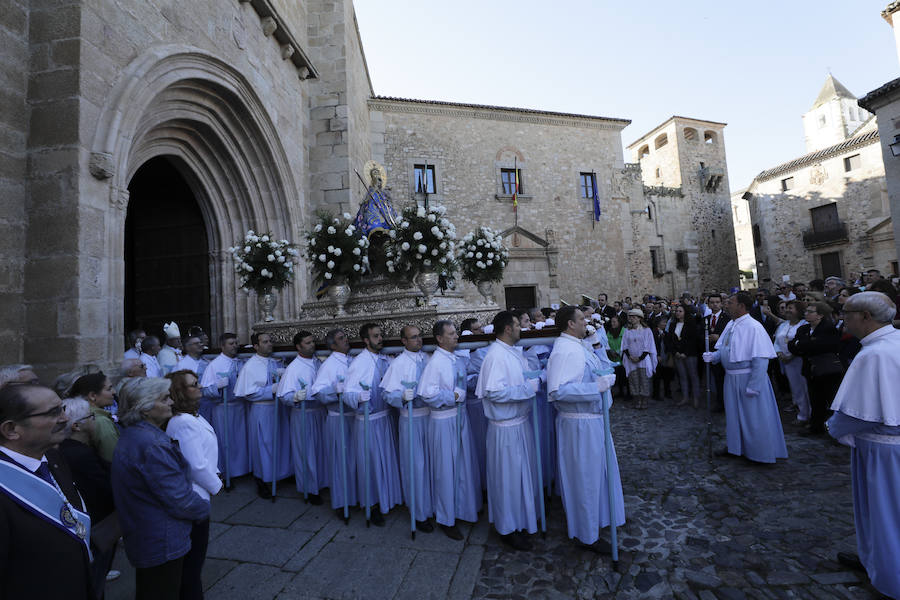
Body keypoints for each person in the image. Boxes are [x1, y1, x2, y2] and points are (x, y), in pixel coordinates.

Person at [826, 292, 900, 599]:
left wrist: (832, 427)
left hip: (882, 450)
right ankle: (874, 559)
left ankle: (889, 574)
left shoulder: (874, 355)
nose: (843, 319)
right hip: (887, 446)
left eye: (846, 313)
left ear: (865, 317)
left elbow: (858, 414)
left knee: (883, 512)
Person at [111, 377, 210, 600]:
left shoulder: (138, 435)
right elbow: (179, 499)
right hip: (161, 537)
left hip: (147, 532)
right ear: (144, 408)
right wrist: (203, 510)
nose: (171, 402)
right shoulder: (151, 444)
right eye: (164, 398)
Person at [0, 384, 93, 600]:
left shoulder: (53, 457)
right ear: (11, 430)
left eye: (62, 409)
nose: (64, 419)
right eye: (53, 413)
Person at [547, 306, 624, 551]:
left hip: (593, 420)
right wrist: (595, 388)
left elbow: (599, 369)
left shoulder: (578, 345)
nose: (586, 322)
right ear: (570, 324)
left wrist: (597, 349)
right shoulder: (564, 350)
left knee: (597, 474)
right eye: (581, 319)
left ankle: (600, 518)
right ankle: (585, 532)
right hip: (579, 423)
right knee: (584, 478)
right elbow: (557, 391)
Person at [475, 312, 540, 551]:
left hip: (519, 424)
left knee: (522, 476)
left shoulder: (511, 352)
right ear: (507, 329)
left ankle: (522, 519)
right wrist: (525, 390)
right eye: (517, 325)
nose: (523, 328)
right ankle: (507, 528)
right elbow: (493, 392)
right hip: (505, 429)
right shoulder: (495, 356)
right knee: (507, 479)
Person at [703, 292, 788, 463]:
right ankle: (736, 447)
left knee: (753, 417)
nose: (727, 305)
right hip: (731, 378)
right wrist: (714, 357)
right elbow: (726, 349)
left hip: (748, 378)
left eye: (731, 303)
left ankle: (758, 452)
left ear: (741, 306)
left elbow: (760, 358)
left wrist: (754, 385)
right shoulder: (731, 325)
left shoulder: (753, 327)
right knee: (733, 415)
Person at [418, 320, 481, 540]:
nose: (456, 336)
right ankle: (446, 518)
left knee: (462, 465)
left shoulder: (453, 358)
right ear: (439, 338)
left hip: (458, 417)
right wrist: (452, 396)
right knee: (445, 470)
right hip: (443, 421)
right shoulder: (436, 363)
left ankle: (463, 508)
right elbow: (426, 394)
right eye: (452, 334)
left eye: (456, 333)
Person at [165, 370, 221, 600]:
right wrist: (217, 485)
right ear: (180, 392)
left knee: (194, 560)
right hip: (194, 494)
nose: (199, 387)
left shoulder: (193, 416)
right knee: (192, 561)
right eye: (193, 385)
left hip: (200, 491)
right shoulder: (183, 422)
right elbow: (195, 465)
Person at [59, 396, 121, 595]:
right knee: (95, 582)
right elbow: (104, 490)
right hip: (96, 530)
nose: (95, 420)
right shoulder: (79, 455)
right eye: (91, 416)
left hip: (93, 529)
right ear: (77, 426)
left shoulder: (74, 450)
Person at [343, 324, 402, 525]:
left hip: (386, 418)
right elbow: (347, 393)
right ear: (366, 340)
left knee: (387, 460)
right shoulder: (359, 363)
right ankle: (372, 504)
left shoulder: (385, 359)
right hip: (368, 421)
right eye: (376, 336)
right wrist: (358, 396)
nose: (380, 339)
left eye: (381, 335)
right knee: (371, 464)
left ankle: (389, 498)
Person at [381, 325, 434, 531]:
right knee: (416, 466)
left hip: (430, 417)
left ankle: (435, 506)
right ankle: (419, 513)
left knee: (431, 464)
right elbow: (387, 394)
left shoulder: (428, 359)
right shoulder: (399, 364)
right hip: (411, 419)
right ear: (403, 341)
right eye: (413, 337)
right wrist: (401, 396)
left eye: (420, 336)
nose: (418, 340)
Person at [233, 333, 290, 499]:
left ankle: (280, 474)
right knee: (263, 445)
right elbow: (248, 393)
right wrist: (270, 390)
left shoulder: (275, 361)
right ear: (256, 346)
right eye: (265, 342)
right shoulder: (250, 366)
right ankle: (262, 480)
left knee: (280, 442)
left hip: (278, 409)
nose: (270, 344)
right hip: (262, 410)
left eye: (270, 341)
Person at [310, 329, 356, 519]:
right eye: (340, 339)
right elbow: (319, 392)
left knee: (353, 460)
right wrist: (334, 391)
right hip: (338, 418)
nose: (346, 340)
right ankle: (341, 502)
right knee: (340, 461)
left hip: (354, 416)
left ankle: (355, 497)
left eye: (346, 336)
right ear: (332, 345)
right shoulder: (329, 365)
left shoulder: (353, 360)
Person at [277, 331, 326, 505]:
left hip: (320, 411)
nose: (312, 345)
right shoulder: (294, 368)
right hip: (304, 414)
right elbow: (284, 395)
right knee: (306, 452)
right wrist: (295, 397)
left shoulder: (318, 363)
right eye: (307, 343)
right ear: (298, 346)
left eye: (313, 341)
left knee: (320, 450)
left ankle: (322, 482)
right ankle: (309, 489)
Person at [199, 333, 251, 482]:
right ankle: (226, 473)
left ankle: (241, 470)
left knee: (240, 441)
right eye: (231, 343)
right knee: (225, 441)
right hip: (223, 408)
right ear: (222, 346)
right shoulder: (215, 365)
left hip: (239, 406)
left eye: (236, 343)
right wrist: (218, 387)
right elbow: (205, 390)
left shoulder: (241, 362)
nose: (234, 346)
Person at [788, 302, 843, 436]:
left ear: (820, 315)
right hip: (810, 369)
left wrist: (804, 345)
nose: (806, 313)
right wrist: (805, 345)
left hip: (827, 370)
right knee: (815, 399)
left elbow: (822, 346)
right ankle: (816, 427)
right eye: (806, 311)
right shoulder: (803, 329)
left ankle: (835, 429)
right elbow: (792, 346)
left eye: (810, 311)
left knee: (831, 399)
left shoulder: (828, 329)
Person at [69, 372, 119, 463]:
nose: (114, 392)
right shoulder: (101, 421)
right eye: (109, 389)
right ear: (92, 396)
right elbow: (113, 459)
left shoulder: (86, 416)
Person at [773, 300, 810, 424]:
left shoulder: (804, 324)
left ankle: (809, 414)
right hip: (786, 362)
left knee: (805, 388)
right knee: (796, 388)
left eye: (791, 308)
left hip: (799, 360)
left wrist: (792, 355)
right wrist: (779, 353)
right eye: (787, 308)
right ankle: (802, 413)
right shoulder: (783, 325)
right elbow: (776, 341)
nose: (788, 310)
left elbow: (803, 342)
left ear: (798, 311)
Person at [665, 304, 701, 408]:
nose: (677, 313)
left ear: (685, 312)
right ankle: (685, 397)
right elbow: (670, 341)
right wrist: (675, 352)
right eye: (676, 311)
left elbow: (693, 340)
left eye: (680, 311)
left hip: (689, 354)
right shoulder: (672, 325)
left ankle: (696, 398)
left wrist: (685, 352)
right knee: (682, 376)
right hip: (677, 354)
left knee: (693, 376)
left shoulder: (691, 325)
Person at [621, 308, 657, 410]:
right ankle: (637, 400)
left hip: (643, 360)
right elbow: (624, 345)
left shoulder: (646, 331)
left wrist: (640, 357)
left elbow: (649, 345)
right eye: (630, 317)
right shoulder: (627, 331)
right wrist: (629, 356)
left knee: (644, 380)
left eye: (634, 317)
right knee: (634, 380)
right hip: (631, 360)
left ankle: (644, 400)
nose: (631, 319)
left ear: (639, 318)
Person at [705, 294, 729, 413]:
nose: (715, 304)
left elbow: (731, 335)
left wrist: (719, 337)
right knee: (716, 379)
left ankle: (726, 403)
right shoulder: (706, 318)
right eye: (712, 302)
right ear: (708, 304)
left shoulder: (727, 318)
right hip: (710, 352)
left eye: (717, 302)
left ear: (721, 303)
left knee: (724, 380)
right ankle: (719, 402)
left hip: (723, 353)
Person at [606, 315, 628, 399]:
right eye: (611, 322)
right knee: (617, 376)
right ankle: (620, 392)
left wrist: (619, 352)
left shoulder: (624, 331)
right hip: (613, 357)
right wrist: (610, 351)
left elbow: (625, 343)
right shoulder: (609, 331)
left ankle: (627, 393)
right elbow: (607, 342)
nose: (612, 323)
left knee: (624, 376)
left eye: (614, 322)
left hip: (622, 356)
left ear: (619, 322)